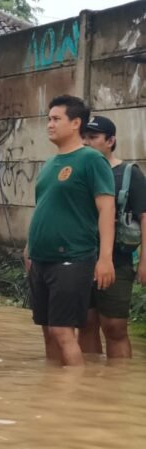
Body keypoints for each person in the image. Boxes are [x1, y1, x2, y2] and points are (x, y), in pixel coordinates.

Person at [25, 95, 116, 367]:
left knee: (63, 332)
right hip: (40, 259)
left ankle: (78, 396)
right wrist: (29, 248)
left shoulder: (91, 159)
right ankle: (54, 396)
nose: (49, 124)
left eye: (56, 119)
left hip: (72, 258)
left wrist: (105, 258)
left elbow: (106, 209)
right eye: (48, 119)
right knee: (48, 331)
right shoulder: (49, 165)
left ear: (76, 123)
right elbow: (44, 208)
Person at [79, 116, 145, 359]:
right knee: (85, 323)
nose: (87, 142)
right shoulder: (80, 171)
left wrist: (144, 262)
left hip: (117, 261)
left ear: (111, 141)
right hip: (81, 258)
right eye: (84, 137)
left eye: (93, 137)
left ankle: (116, 385)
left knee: (114, 327)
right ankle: (90, 386)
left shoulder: (129, 174)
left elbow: (144, 217)